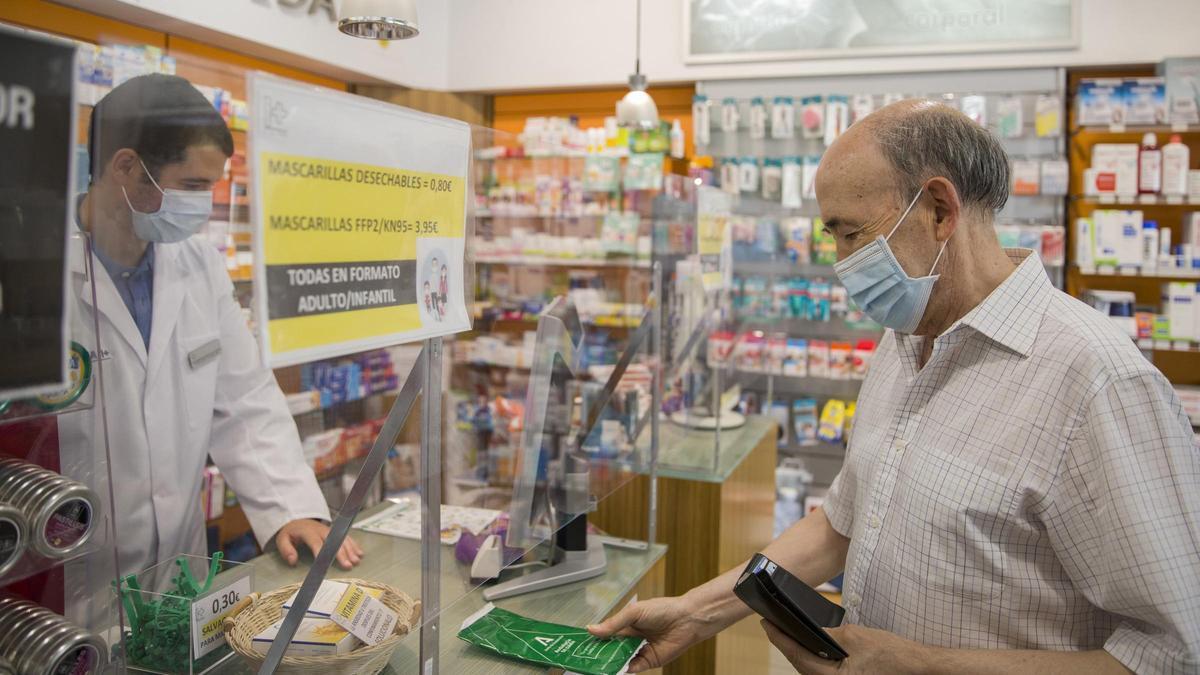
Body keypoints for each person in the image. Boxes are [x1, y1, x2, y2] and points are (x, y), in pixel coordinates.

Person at [590, 100, 1199, 674]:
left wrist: (922, 666)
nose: (839, 261)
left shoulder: (1097, 382)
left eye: (850, 233)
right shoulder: (906, 336)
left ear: (939, 210)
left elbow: (1173, 653)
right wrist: (696, 613)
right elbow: (842, 522)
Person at [65, 74, 362, 594]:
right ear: (126, 168)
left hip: (181, 575)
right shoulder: (35, 276)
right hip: (71, 587)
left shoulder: (199, 266)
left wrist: (288, 508)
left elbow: (245, 399)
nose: (203, 206)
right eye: (193, 186)